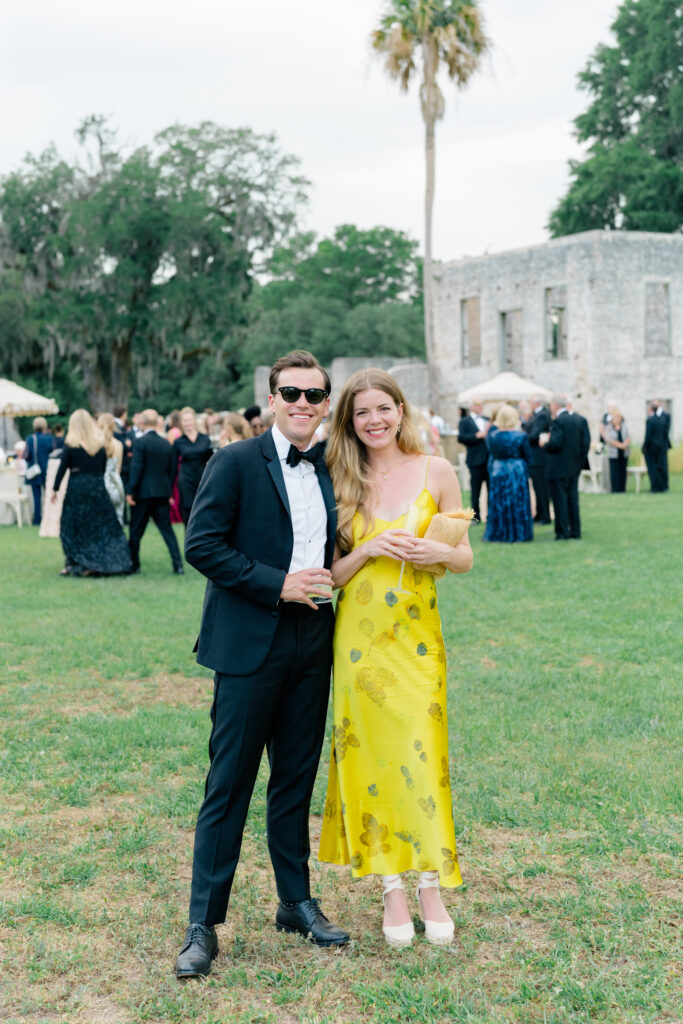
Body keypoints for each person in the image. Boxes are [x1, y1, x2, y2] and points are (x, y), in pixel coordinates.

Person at [175, 350, 348, 979]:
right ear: (272, 398)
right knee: (229, 786)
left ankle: (295, 902)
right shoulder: (235, 461)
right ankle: (202, 924)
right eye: (291, 393)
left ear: (327, 403)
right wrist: (278, 584)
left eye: (314, 394)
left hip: (314, 643)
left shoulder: (335, 466)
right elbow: (202, 545)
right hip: (250, 642)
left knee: (294, 781)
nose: (303, 404)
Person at [318, 368, 473, 949]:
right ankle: (390, 889)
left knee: (423, 753)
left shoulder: (438, 470)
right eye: (362, 413)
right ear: (349, 422)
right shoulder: (337, 478)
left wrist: (438, 549)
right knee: (373, 759)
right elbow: (326, 578)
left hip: (417, 642)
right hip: (358, 641)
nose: (375, 420)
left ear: (401, 410)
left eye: (384, 408)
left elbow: (464, 561)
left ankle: (431, 885)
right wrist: (368, 549)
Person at [51, 410, 132, 577]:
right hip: (96, 487)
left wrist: (55, 489)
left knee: (73, 526)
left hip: (77, 488)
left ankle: (75, 561)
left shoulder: (71, 444)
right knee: (99, 526)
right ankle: (101, 561)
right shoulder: (99, 445)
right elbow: (102, 468)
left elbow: (62, 468)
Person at [126, 409, 184, 575]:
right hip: (162, 492)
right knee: (167, 530)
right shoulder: (166, 443)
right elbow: (172, 470)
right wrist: (168, 488)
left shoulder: (140, 442)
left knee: (136, 531)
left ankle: (134, 565)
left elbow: (136, 468)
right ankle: (177, 564)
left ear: (142, 423)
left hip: (142, 494)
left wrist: (130, 491)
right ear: (158, 423)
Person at [540, 393, 590, 540]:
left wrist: (544, 444)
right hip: (574, 468)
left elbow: (556, 443)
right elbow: (585, 444)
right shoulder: (581, 420)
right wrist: (578, 463)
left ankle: (562, 531)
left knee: (559, 501)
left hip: (558, 468)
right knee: (573, 500)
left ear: (555, 405)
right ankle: (575, 530)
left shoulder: (558, 422)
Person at [484, 405, 533, 542]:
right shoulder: (521, 436)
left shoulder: (493, 436)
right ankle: (519, 533)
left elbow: (492, 453)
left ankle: (500, 532)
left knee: (500, 501)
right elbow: (529, 456)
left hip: (499, 469)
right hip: (517, 470)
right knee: (517, 501)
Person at [173, 408, 213, 524]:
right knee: (188, 512)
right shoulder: (178, 442)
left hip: (202, 478)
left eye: (189, 420)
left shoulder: (205, 438)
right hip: (186, 480)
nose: (187, 423)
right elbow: (173, 465)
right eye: (185, 421)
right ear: (181, 423)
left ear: (194, 421)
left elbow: (211, 460)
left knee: (204, 509)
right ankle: (189, 540)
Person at [457, 397, 489, 523]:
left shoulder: (487, 420)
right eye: (477, 405)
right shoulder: (465, 421)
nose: (480, 407)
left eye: (481, 404)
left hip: (489, 459)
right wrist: (476, 435)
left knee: (491, 490)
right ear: (471, 406)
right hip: (475, 460)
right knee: (476, 490)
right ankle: (475, 517)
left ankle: (491, 516)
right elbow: (461, 438)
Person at [523, 396, 552, 524]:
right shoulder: (536, 415)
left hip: (539, 457)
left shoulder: (542, 415)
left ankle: (545, 516)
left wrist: (520, 436)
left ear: (537, 402)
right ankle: (539, 513)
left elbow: (534, 435)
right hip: (534, 457)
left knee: (541, 487)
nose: (530, 404)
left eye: (530, 402)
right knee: (537, 487)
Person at [23, 416, 54, 526]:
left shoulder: (30, 439)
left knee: (36, 497)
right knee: (48, 495)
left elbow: (26, 455)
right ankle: (48, 518)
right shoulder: (49, 439)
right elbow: (53, 452)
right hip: (47, 470)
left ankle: (37, 519)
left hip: (35, 471)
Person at [97, 414, 126, 525]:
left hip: (100, 482)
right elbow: (118, 469)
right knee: (116, 519)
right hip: (115, 483)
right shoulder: (118, 444)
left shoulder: (95, 443)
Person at [642, 400, 671, 493]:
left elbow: (648, 435)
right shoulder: (662, 420)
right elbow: (665, 433)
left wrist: (645, 446)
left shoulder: (650, 420)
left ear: (650, 409)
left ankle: (655, 487)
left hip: (652, 448)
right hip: (662, 447)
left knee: (653, 468)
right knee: (661, 467)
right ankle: (662, 486)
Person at [604, 408, 630, 493]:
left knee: (623, 471)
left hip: (624, 453)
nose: (616, 420)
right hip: (613, 453)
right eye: (614, 418)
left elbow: (628, 437)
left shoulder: (624, 426)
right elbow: (609, 439)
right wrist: (621, 445)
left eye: (618, 418)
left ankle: (622, 489)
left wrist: (625, 444)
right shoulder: (609, 427)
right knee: (614, 473)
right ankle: (615, 489)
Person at [166, 411, 183, 525]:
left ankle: (175, 515)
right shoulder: (181, 431)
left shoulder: (172, 432)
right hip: (182, 463)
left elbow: (170, 450)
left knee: (174, 489)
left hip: (175, 463)